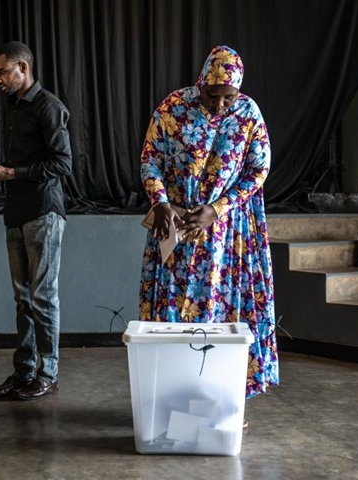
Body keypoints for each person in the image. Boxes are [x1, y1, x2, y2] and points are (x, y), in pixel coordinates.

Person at [139, 46, 278, 401]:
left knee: (223, 310)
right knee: (175, 307)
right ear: (200, 83)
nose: (219, 104)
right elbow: (150, 159)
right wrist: (161, 202)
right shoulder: (173, 107)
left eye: (227, 97)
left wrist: (217, 208)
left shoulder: (248, 114)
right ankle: (172, 396)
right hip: (176, 227)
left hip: (226, 235)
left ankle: (224, 400)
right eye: (212, 95)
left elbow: (258, 170)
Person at [0, 41, 72, 400]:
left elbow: (63, 164)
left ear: (23, 68)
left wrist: (10, 173)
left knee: (43, 297)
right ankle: (25, 372)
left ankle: (48, 375)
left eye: (2, 72)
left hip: (44, 212)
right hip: (15, 213)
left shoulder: (49, 107)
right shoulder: (14, 107)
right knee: (23, 300)